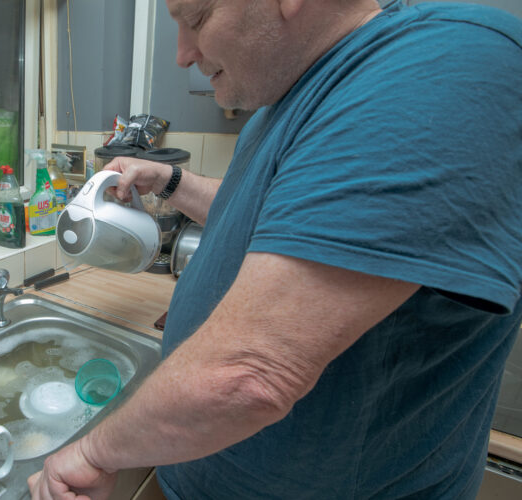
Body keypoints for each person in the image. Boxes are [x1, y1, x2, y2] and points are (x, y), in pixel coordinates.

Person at [29, 0, 522, 498]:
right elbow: (276, 213)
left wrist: (91, 451)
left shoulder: (439, 64)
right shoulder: (283, 104)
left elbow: (250, 377)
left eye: (196, 19)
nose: (181, 54)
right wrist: (172, 181)